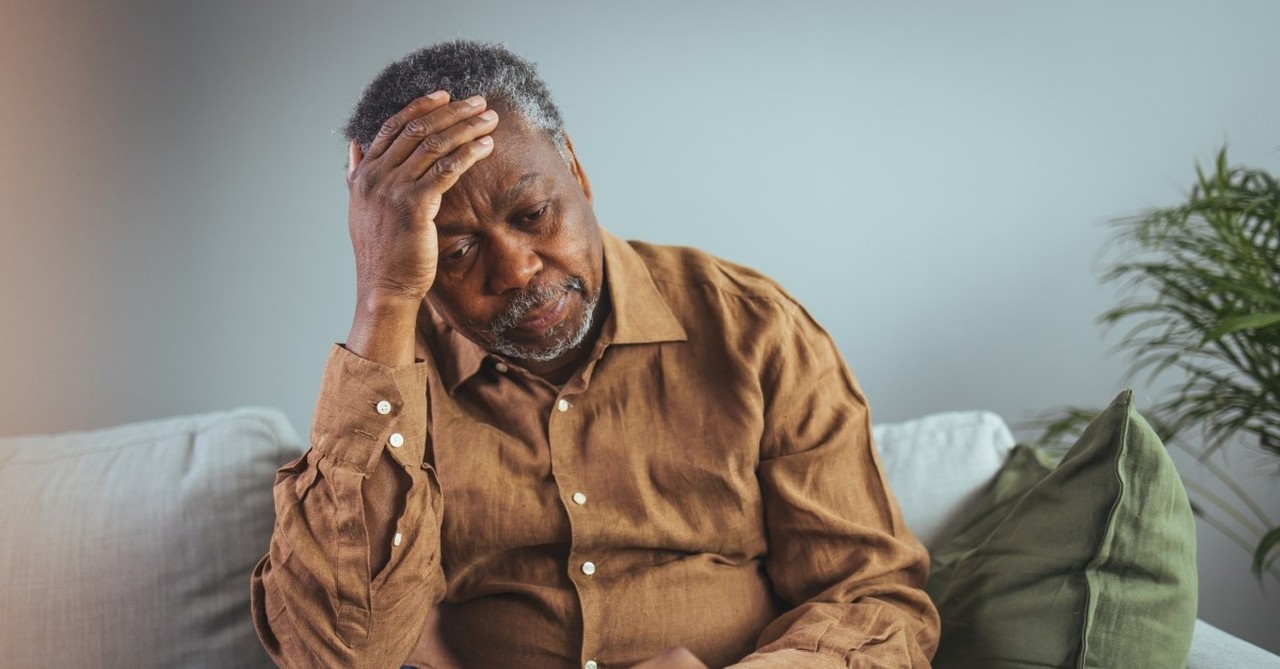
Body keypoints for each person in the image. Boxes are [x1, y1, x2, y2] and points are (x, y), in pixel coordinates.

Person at [251, 40, 939, 669]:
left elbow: (872, 600)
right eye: (457, 251)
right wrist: (385, 296)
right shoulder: (392, 386)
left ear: (576, 169)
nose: (517, 270)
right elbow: (334, 656)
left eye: (533, 215)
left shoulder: (752, 329)